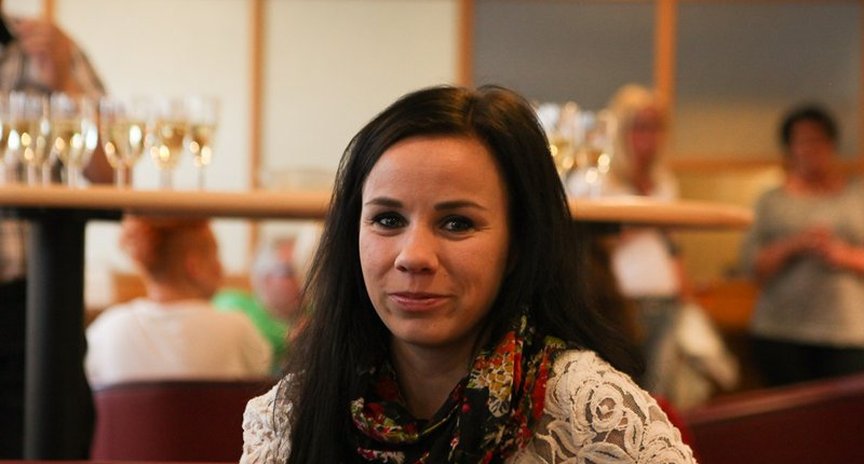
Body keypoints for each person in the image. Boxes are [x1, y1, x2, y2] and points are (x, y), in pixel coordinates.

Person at [239, 85, 696, 463]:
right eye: (388, 219)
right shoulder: (292, 414)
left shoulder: (590, 416)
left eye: (456, 223)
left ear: (518, 244)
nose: (413, 256)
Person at [0, 4, 110, 458]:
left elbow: (109, 172)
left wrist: (63, 80)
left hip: (31, 300)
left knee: (51, 440)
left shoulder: (50, 49)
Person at [740, 104, 864, 387]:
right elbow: (751, 266)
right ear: (789, 149)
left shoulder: (857, 197)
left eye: (818, 140)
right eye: (803, 141)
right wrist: (794, 245)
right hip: (780, 330)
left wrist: (842, 254)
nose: (811, 149)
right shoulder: (771, 201)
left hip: (848, 331)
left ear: (832, 145)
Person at [85, 216, 271, 388]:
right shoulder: (237, 329)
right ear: (194, 266)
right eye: (215, 256)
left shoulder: (106, 330)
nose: (222, 268)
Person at [213, 225, 320, 372]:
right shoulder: (235, 307)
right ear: (264, 277)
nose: (302, 280)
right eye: (289, 272)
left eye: (306, 270)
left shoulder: (317, 311)